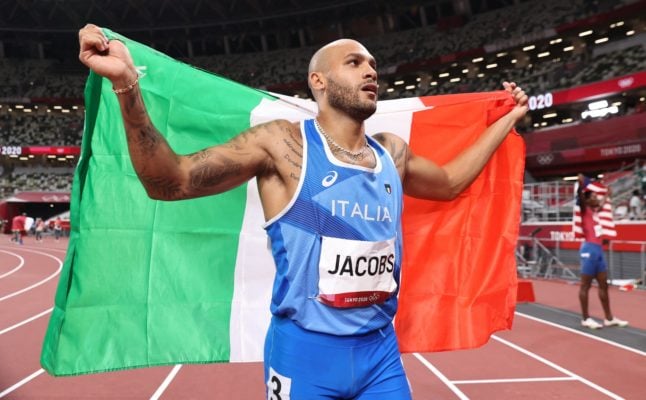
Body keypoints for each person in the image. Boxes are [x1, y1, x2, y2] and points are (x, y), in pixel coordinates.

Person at [79, 24, 528, 399]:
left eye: (372, 64)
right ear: (319, 81)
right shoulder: (281, 144)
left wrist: (507, 121)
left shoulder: (393, 154)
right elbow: (170, 181)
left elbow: (450, 183)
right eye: (354, 63)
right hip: (304, 354)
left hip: (379, 352)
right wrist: (125, 85)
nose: (370, 70)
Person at [576, 177, 628, 330]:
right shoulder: (584, 210)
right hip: (589, 250)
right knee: (585, 285)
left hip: (598, 251)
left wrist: (607, 195)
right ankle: (585, 318)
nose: (596, 199)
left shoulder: (595, 211)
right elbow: (580, 197)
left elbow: (601, 203)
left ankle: (609, 318)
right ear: (587, 200)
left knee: (603, 285)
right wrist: (581, 186)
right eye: (593, 197)